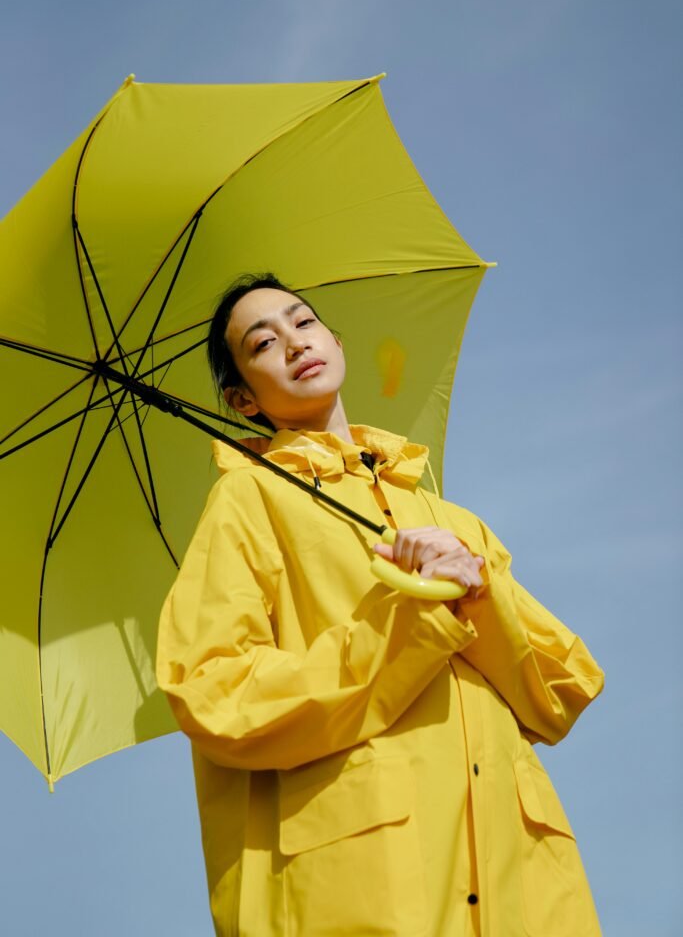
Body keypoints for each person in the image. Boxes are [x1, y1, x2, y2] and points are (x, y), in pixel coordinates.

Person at [156, 273, 604, 937]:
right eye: (262, 342)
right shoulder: (249, 503)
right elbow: (215, 693)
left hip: (521, 882)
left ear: (334, 342)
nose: (292, 342)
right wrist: (408, 616)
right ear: (241, 399)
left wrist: (476, 591)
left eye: (302, 322)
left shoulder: (452, 522)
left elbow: (561, 691)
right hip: (367, 880)